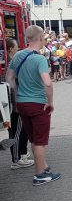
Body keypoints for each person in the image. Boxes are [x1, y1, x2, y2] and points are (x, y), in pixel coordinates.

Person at [6, 25, 61, 186]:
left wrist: (16, 96)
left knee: (33, 138)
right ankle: (40, 174)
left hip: (22, 104)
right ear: (40, 38)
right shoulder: (39, 59)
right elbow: (48, 83)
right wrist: (50, 102)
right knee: (40, 141)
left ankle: (42, 166)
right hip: (38, 103)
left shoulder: (18, 56)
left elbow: (9, 77)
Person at [6, 38, 34, 170]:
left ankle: (22, 154)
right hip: (14, 104)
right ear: (11, 49)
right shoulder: (10, 64)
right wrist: (17, 102)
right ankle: (16, 159)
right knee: (16, 131)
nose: (18, 48)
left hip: (15, 102)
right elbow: (12, 85)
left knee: (20, 130)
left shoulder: (12, 62)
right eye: (16, 46)